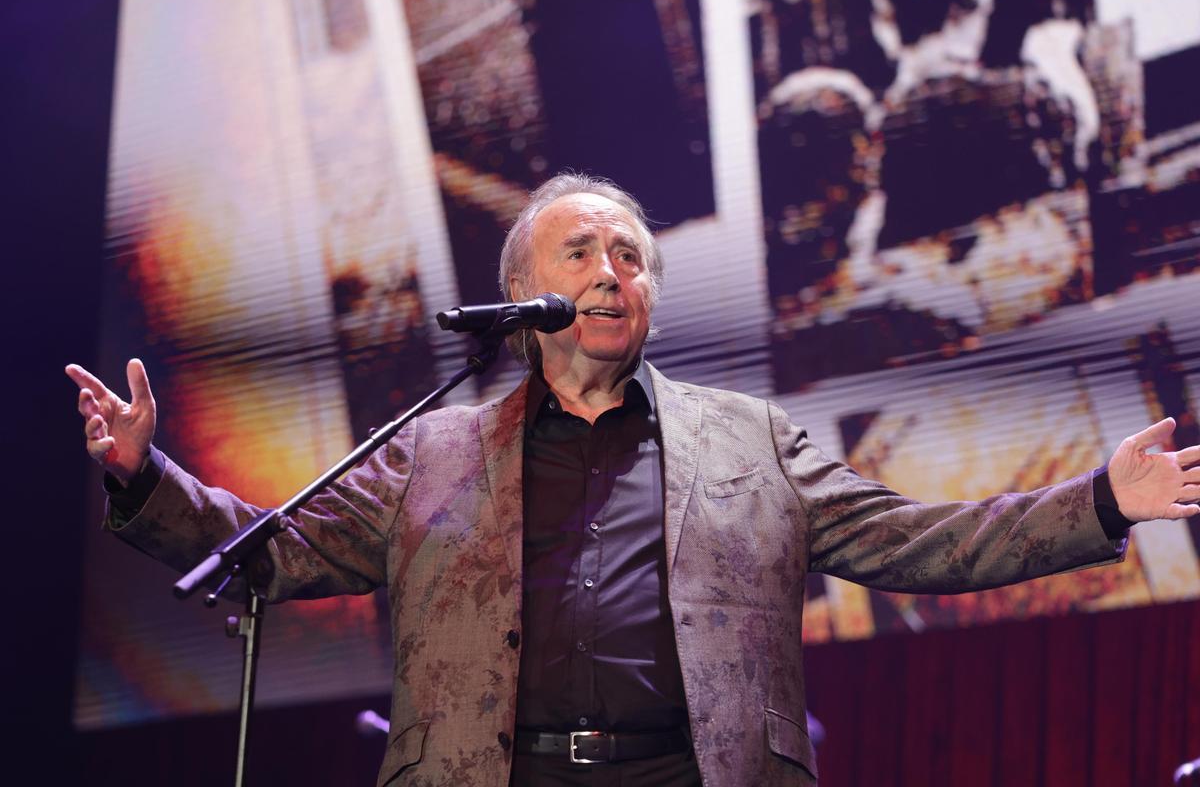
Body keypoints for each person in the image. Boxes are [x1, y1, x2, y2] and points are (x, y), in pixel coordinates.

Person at [67, 174, 1200, 787]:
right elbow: (261, 552)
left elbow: (923, 540)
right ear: (523, 291)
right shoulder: (432, 448)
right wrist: (140, 473)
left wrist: (1100, 500)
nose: (614, 273)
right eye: (584, 254)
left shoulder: (749, 439)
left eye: (633, 258)